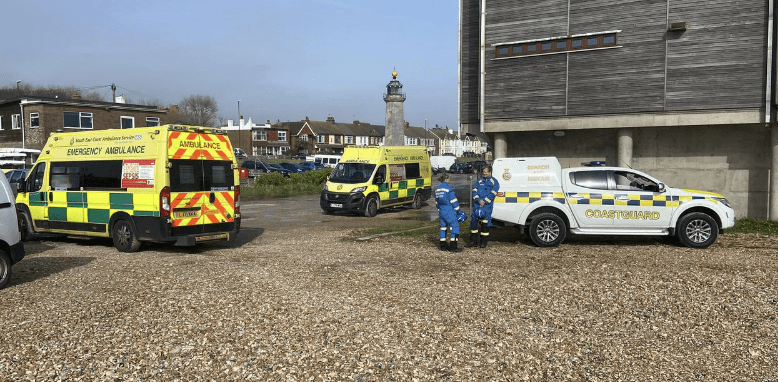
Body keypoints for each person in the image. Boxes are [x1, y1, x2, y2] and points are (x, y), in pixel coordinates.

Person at [468, 165, 500, 248]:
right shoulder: (479, 181)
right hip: (477, 205)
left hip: (487, 206)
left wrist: (484, 201)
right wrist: (478, 200)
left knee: (485, 224)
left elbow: (493, 193)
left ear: (490, 172)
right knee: (473, 223)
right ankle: (473, 241)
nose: (484, 173)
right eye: (483, 171)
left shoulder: (494, 181)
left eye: (486, 171)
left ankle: (483, 242)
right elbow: (474, 191)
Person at [435, 173, 464, 252]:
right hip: (449, 211)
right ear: (447, 179)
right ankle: (453, 246)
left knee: (443, 227)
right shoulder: (449, 188)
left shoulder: (437, 189)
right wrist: (458, 210)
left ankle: (443, 245)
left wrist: (439, 209)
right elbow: (453, 201)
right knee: (454, 227)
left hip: (441, 211)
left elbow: (437, 202)